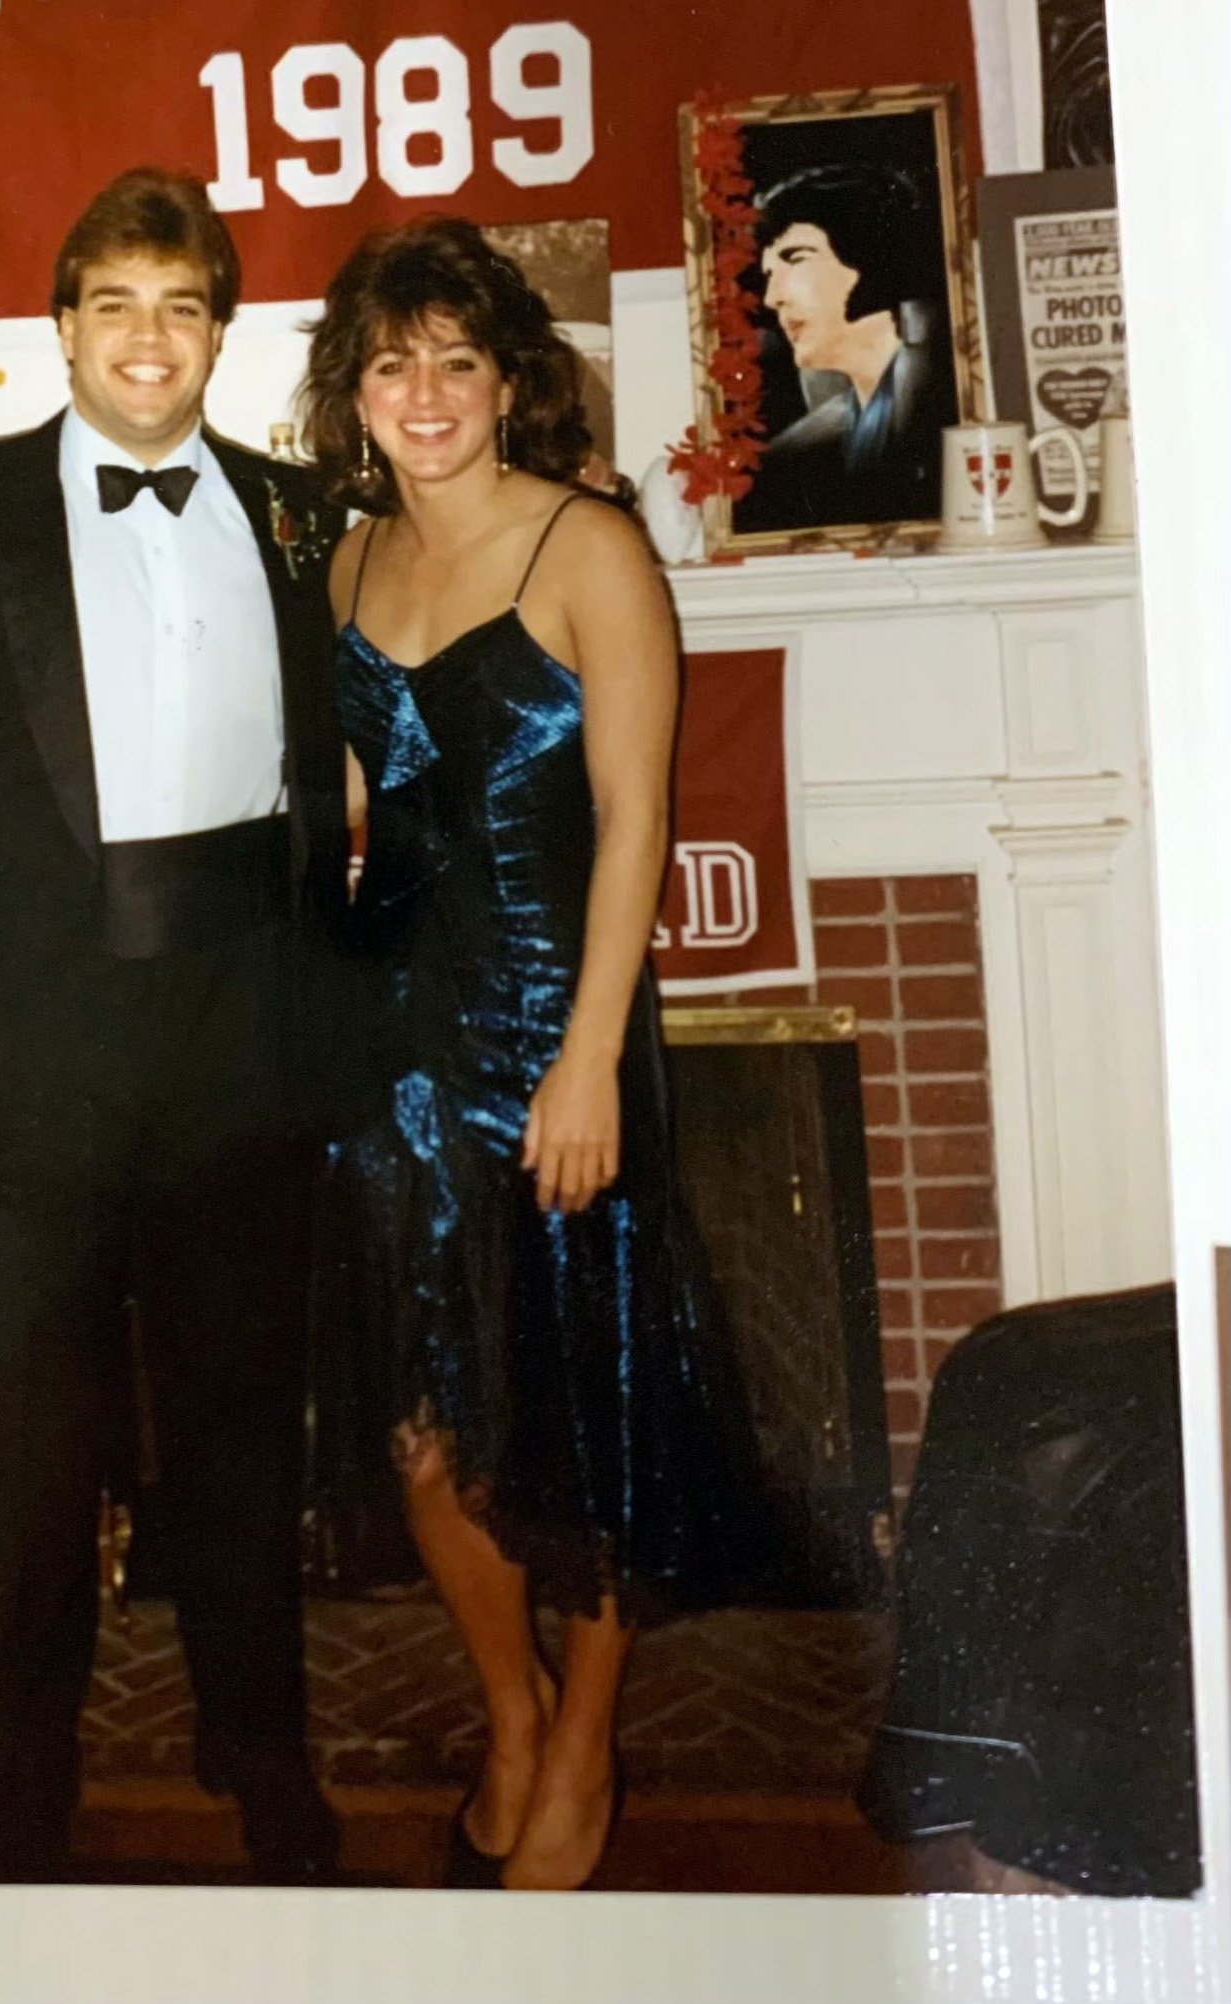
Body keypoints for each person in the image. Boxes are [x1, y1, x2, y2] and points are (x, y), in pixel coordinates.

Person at [0, 167, 349, 1885]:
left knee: (241, 1419)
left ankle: (260, 1752)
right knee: (31, 1431)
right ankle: (24, 1767)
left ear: (218, 331)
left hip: (235, 1042)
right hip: (27, 1050)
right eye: (112, 303)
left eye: (180, 306)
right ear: (59, 328)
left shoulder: (293, 512)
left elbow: (326, 785)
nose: (146, 339)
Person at [298, 218, 781, 1892]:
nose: (422, 394)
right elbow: (356, 816)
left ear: (506, 379)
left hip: (550, 1039)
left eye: (453, 358)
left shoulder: (590, 550)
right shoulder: (345, 571)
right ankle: (507, 1708)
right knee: (425, 1434)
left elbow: (639, 819)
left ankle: (582, 1745)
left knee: (579, 1425)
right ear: (352, 397)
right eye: (388, 362)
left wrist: (584, 1064)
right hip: (395, 1058)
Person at [736, 160, 960, 535]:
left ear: (867, 254)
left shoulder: (936, 403)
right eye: (770, 275)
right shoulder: (809, 445)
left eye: (796, 260)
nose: (774, 298)